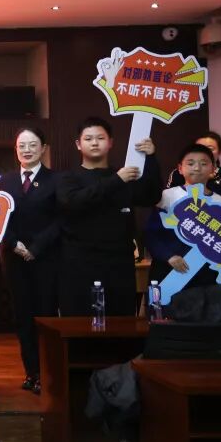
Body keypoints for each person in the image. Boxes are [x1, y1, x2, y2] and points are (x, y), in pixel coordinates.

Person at [57, 116, 161, 317]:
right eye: (88, 139)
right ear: (78, 144)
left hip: (119, 263)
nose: (95, 143)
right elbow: (73, 202)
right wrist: (116, 180)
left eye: (100, 138)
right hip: (79, 265)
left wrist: (151, 159)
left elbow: (151, 196)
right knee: (80, 324)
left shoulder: (125, 175)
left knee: (120, 322)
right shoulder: (68, 178)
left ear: (111, 142)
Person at [0, 127, 61, 394]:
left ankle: (47, 373)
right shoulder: (6, 180)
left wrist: (35, 247)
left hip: (45, 258)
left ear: (43, 148)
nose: (27, 150)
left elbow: (60, 219)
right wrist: (14, 244)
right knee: (22, 316)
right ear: (16, 149)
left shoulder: (55, 179)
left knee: (45, 315)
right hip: (13, 258)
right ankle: (31, 372)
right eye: (21, 145)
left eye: (32, 145)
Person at [146, 142, 221, 290]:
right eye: (190, 163)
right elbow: (151, 234)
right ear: (180, 168)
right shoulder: (166, 197)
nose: (197, 168)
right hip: (169, 271)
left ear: (213, 169)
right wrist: (168, 256)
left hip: (207, 276)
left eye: (203, 163)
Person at [164, 130, 221, 208]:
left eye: (210, 148)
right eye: (199, 148)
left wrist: (205, 180)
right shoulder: (178, 173)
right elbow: (168, 201)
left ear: (219, 151)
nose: (204, 152)